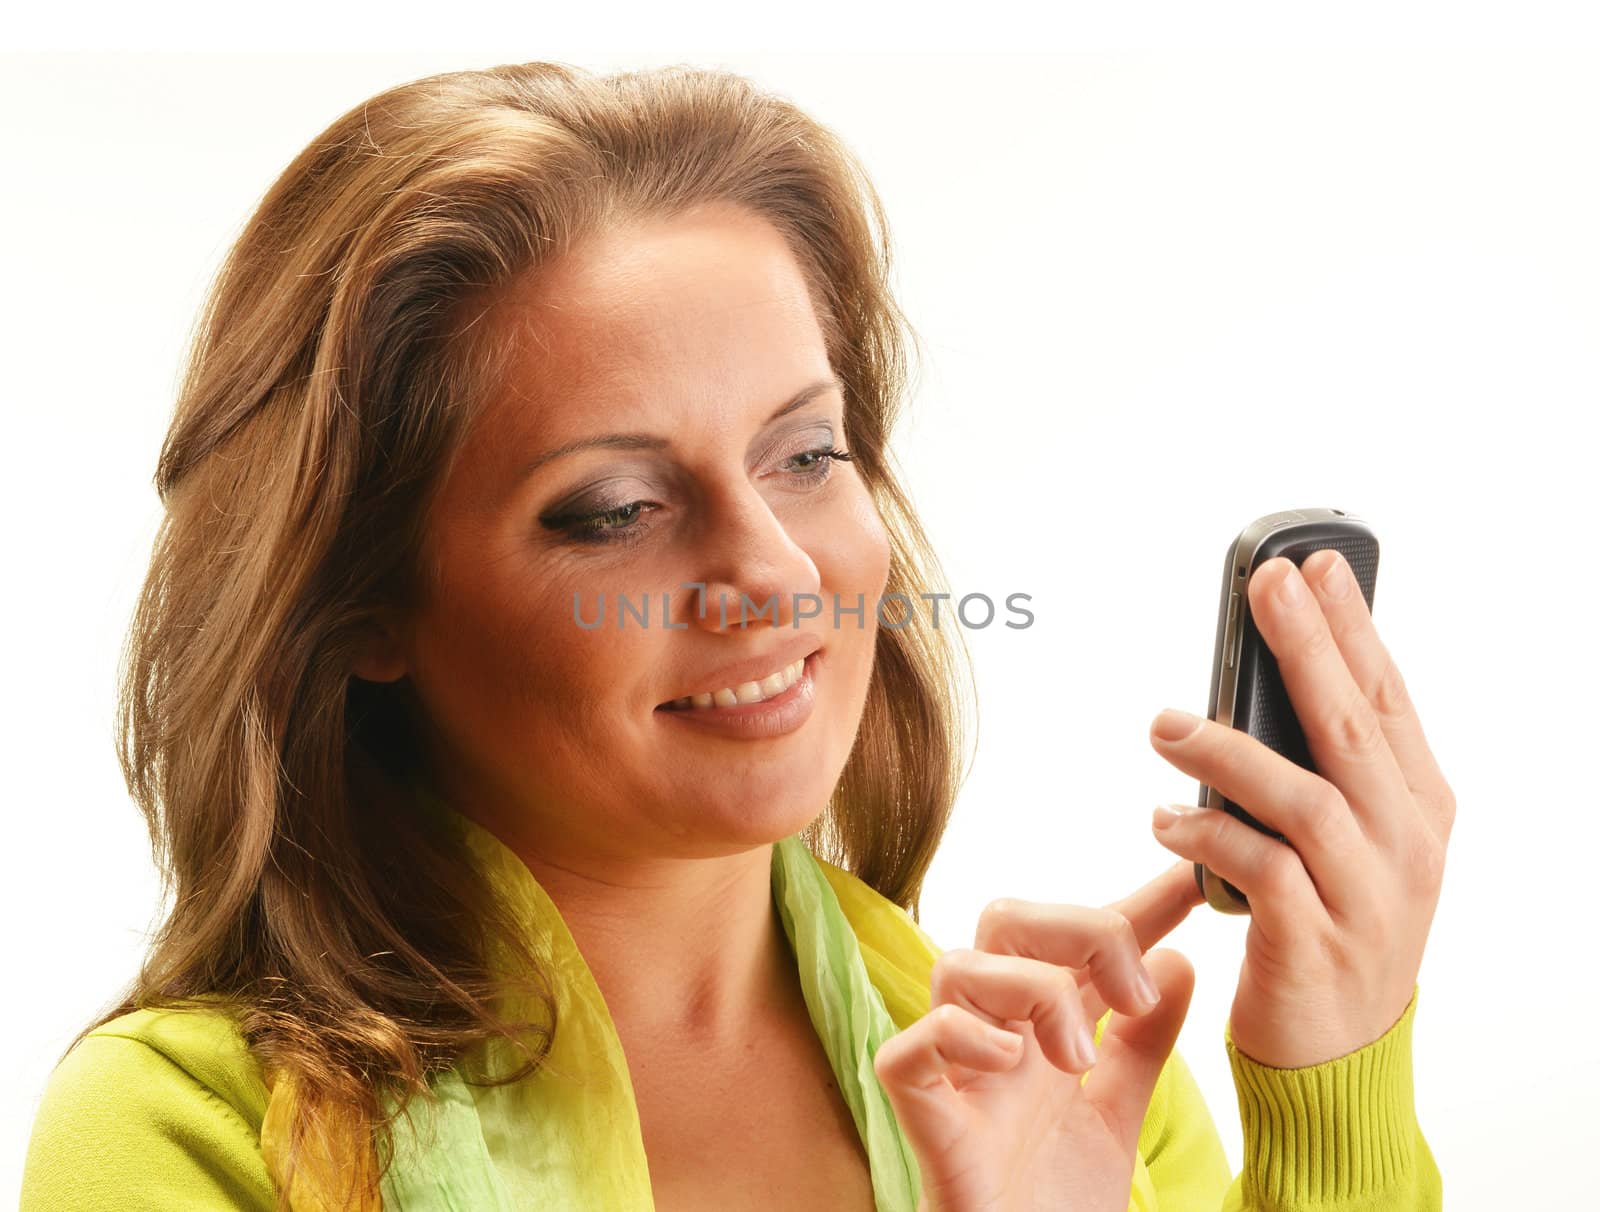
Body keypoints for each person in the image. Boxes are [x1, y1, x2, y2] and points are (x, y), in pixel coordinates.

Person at [19, 60, 1450, 1211]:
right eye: (615, 508)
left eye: (806, 455)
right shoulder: (194, 1136)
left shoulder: (1068, 1094)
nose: (772, 574)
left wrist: (1335, 1069)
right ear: (363, 606)